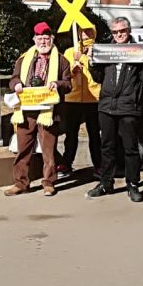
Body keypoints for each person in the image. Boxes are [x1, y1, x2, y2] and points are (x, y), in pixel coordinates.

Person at [86, 17, 143, 202]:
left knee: (130, 148)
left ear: (129, 30)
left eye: (122, 31)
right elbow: (98, 77)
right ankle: (105, 183)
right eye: (115, 32)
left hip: (129, 106)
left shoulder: (139, 50)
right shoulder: (106, 50)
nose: (119, 35)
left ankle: (132, 184)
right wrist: (92, 61)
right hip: (107, 106)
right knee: (107, 147)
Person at [6, 22, 72, 196]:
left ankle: (49, 183)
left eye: (46, 38)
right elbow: (13, 79)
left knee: (49, 151)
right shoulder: (23, 59)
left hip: (49, 112)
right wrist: (16, 84)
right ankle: (20, 183)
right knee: (23, 150)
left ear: (52, 39)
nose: (43, 42)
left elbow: (68, 84)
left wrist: (57, 84)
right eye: (40, 38)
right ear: (34, 39)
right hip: (26, 112)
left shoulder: (62, 60)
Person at [58, 26, 102, 178]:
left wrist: (84, 58)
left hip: (93, 98)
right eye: (82, 31)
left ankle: (99, 165)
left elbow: (100, 72)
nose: (85, 34)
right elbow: (63, 73)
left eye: (89, 31)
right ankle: (66, 163)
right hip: (72, 98)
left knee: (95, 134)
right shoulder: (70, 51)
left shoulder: (99, 50)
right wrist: (73, 70)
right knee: (71, 133)